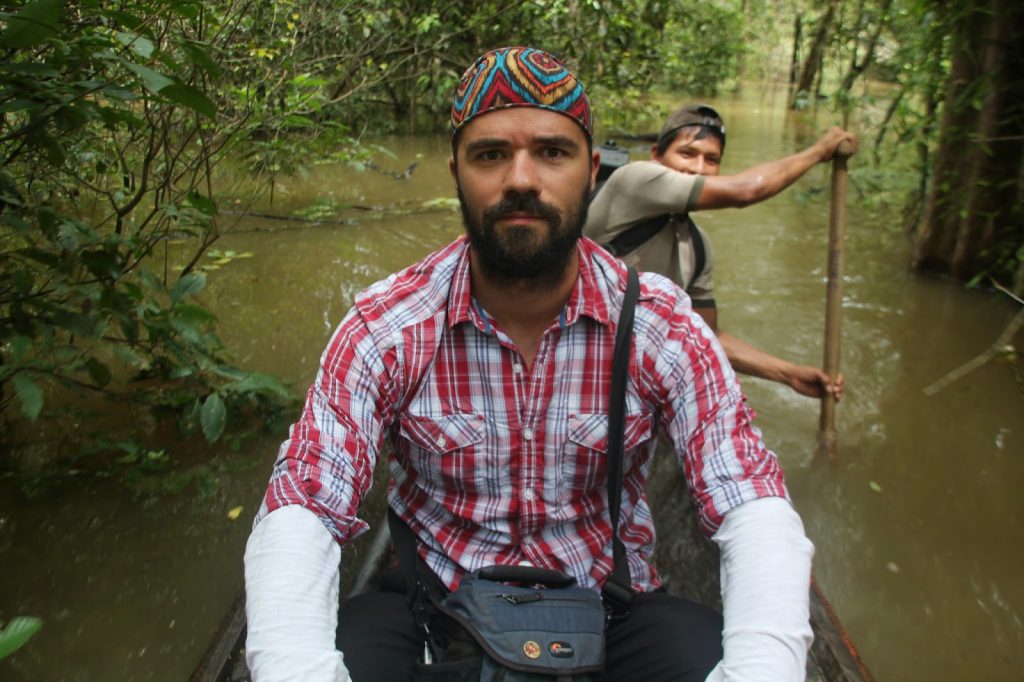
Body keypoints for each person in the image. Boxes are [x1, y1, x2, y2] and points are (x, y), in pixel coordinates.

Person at [244, 46, 815, 682]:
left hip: (610, 606)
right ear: (456, 172)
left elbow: (751, 500)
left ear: (591, 171)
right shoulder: (386, 326)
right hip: (432, 604)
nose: (521, 178)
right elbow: (304, 504)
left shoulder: (663, 324)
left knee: (713, 654)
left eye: (552, 152)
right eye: (490, 154)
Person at [585, 103, 854, 399]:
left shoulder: (699, 247)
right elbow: (746, 190)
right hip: (578, 362)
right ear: (656, 156)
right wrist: (819, 152)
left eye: (711, 159)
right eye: (687, 153)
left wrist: (788, 374)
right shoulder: (633, 181)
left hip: (635, 381)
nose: (698, 168)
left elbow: (706, 336)